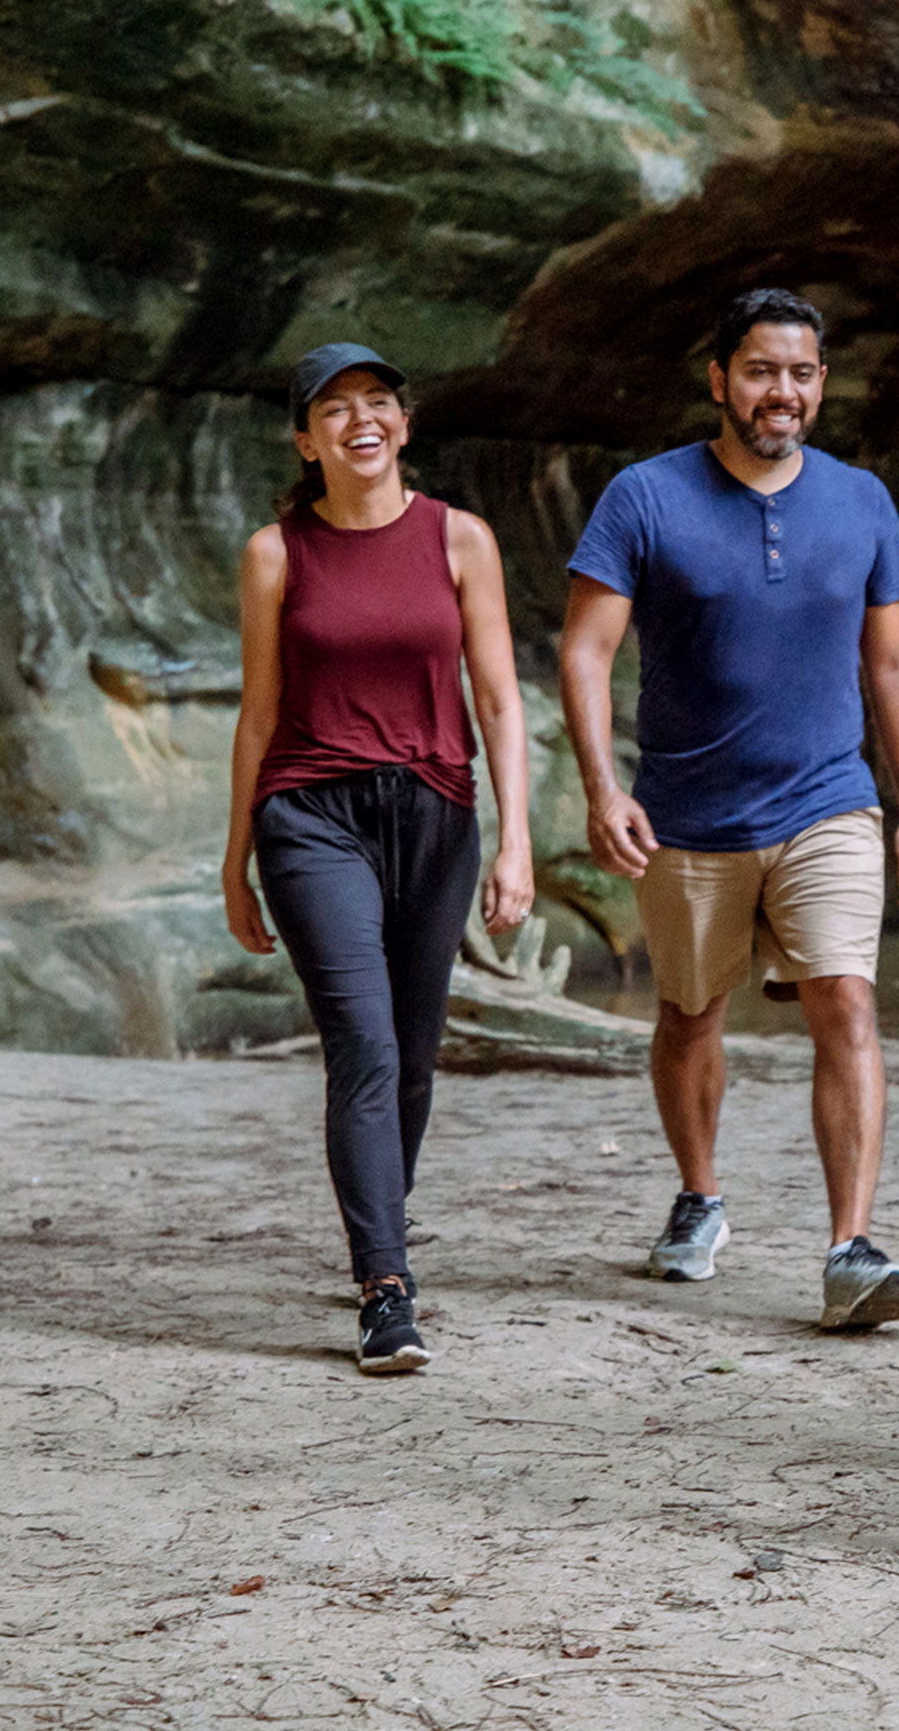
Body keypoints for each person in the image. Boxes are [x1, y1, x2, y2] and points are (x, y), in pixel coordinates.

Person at [559, 288, 899, 1329]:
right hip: (687, 812)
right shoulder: (644, 497)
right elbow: (587, 652)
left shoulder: (861, 500)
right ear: (721, 380)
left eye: (804, 373)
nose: (786, 392)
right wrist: (603, 787)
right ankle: (699, 1196)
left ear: (823, 384)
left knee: (846, 1003)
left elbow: (895, 662)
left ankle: (850, 1248)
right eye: (765, 371)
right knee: (689, 1016)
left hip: (829, 799)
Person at [220, 342, 535, 1376]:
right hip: (311, 816)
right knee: (362, 1044)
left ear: (403, 424)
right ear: (305, 440)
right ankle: (385, 1288)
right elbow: (259, 707)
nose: (360, 419)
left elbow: (497, 698)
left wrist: (517, 841)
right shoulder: (276, 553)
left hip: (437, 815)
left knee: (411, 1053)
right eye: (334, 408)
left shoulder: (461, 540)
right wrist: (236, 857)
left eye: (378, 403)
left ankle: (377, 1230)